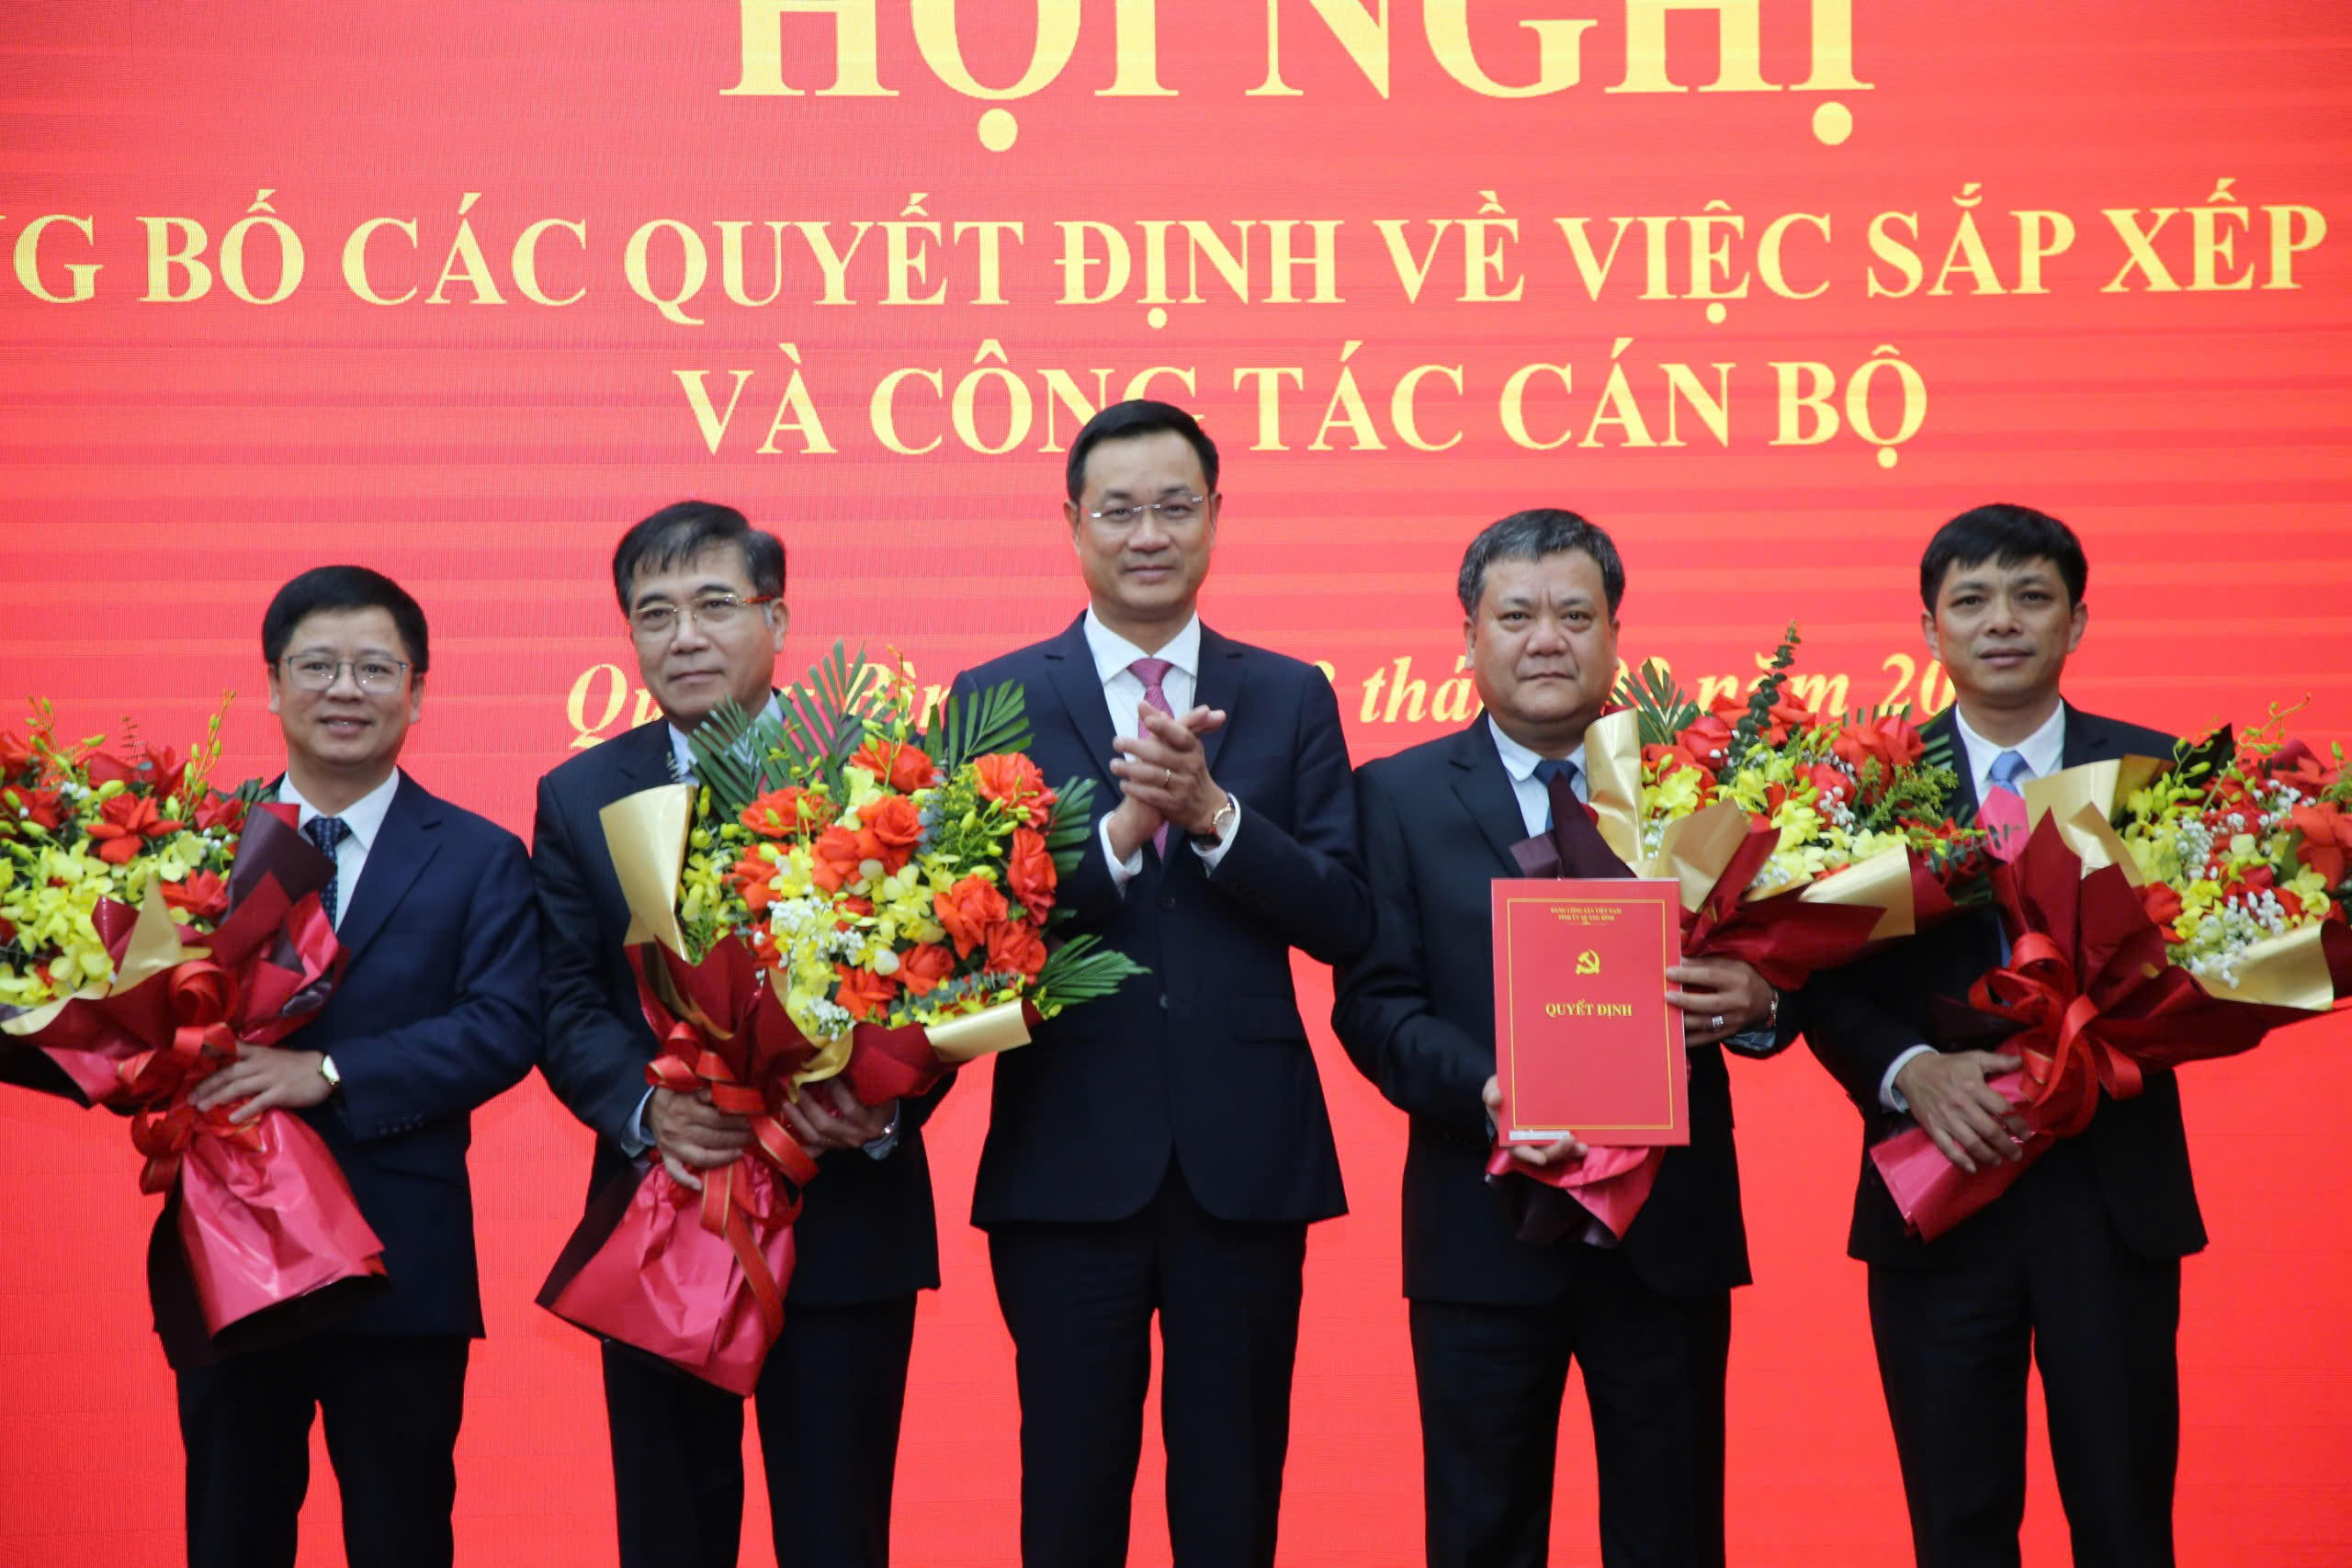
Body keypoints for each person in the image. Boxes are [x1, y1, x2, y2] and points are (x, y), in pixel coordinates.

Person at [948, 400, 1371, 1568]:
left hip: (1245, 1157)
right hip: (1066, 1152)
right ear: (1073, 523)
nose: (1149, 534)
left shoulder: (1288, 693)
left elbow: (1344, 915)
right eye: (1120, 510)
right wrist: (1121, 836)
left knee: (1232, 1504)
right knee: (1069, 1499)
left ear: (1215, 518)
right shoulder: (992, 697)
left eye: (1175, 507)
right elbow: (970, 933)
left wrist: (1216, 816)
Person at [1330, 510, 1787, 1568]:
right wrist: (1490, 1091)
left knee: (1672, 1535)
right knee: (1481, 1534)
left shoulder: (1697, 783)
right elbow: (1375, 1005)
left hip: (1666, 1235)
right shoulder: (1395, 795)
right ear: (1468, 636)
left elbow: (1783, 967)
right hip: (1481, 1232)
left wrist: (1763, 1004)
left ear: (1615, 634)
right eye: (1517, 616)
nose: (1547, 640)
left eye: (1576, 616)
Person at [533, 502, 942, 1568]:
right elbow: (566, 997)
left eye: (714, 605)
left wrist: (877, 1102)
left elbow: (943, 973)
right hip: (664, 1216)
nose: (684, 637)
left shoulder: (882, 778)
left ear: (778, 619)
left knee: (838, 1535)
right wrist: (646, 1108)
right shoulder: (581, 795)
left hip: (842, 1217)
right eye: (653, 613)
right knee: (669, 1534)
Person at [1801, 503, 2188, 1568]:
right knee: (1957, 1525)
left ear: (2076, 621)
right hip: (1940, 1187)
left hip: (2108, 1195)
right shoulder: (1865, 784)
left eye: (2031, 597)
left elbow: (2212, 959)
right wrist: (1910, 1071)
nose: (2001, 621)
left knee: (2125, 1521)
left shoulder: (2159, 777)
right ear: (1930, 630)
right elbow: (1811, 979)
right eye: (1970, 600)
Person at [168, 565, 540, 1568]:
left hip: (397, 1261)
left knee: (401, 1533)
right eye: (317, 665)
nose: (345, 689)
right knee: (232, 1532)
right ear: (272, 684)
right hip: (232, 1252)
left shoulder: (480, 855)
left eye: (375, 668)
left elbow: (505, 1026)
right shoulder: (192, 840)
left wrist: (327, 1071)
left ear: (416, 692)